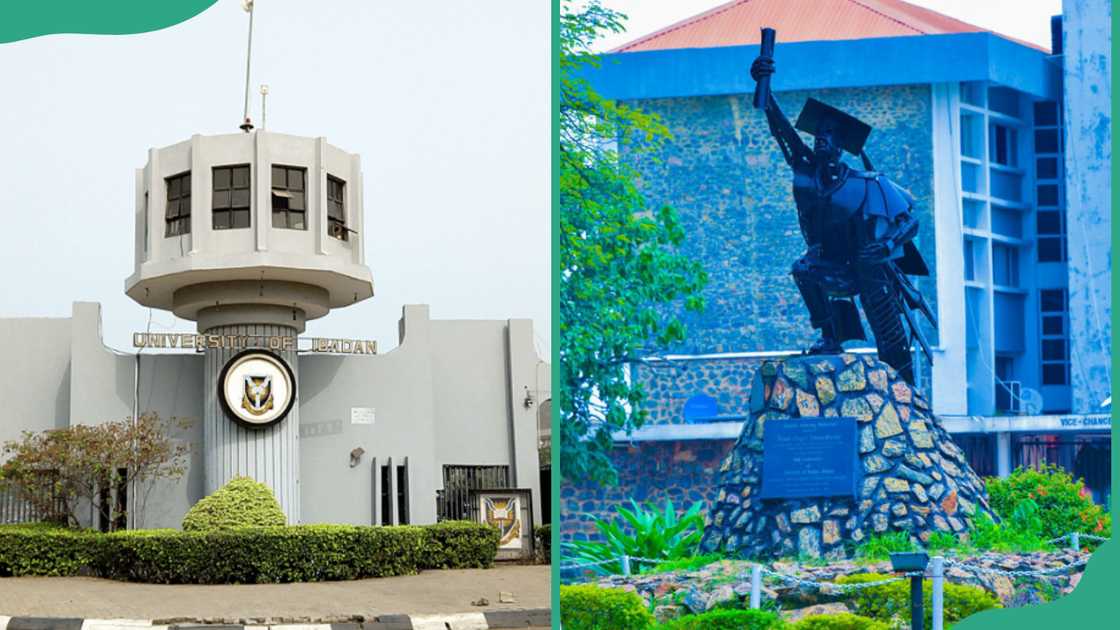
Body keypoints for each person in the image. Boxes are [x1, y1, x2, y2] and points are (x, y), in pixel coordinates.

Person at [750, 53, 936, 384]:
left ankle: (903, 392)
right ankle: (829, 336)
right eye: (818, 133)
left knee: (892, 350)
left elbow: (910, 222)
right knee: (803, 269)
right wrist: (766, 91)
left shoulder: (867, 183)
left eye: (830, 134)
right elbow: (783, 136)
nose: (822, 137)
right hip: (833, 267)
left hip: (871, 271)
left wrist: (888, 244)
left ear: (840, 145)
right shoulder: (806, 174)